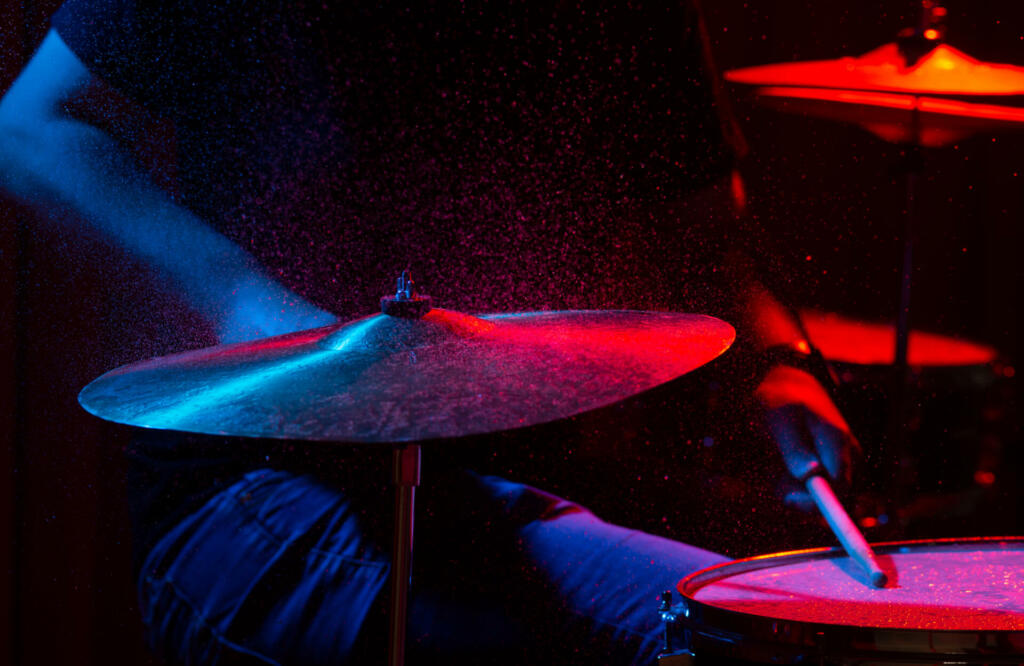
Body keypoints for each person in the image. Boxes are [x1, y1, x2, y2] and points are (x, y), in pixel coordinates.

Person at [0, 1, 857, 663]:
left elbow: (701, 214)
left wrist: (774, 360)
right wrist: (252, 310)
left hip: (542, 475)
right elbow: (31, 128)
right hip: (268, 487)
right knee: (723, 633)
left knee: (811, 611)